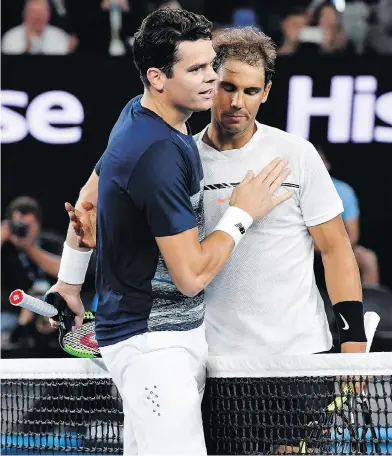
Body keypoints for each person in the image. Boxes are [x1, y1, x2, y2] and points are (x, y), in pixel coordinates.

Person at [65, 24, 367, 453]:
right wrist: (103, 238)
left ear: (266, 93)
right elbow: (125, 221)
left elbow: (336, 251)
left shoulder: (296, 156)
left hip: (297, 356)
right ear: (210, 82)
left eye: (250, 91)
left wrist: (353, 342)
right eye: (226, 86)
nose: (236, 102)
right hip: (216, 361)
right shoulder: (179, 156)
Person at [48, 9, 292, 455]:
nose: (212, 79)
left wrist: (69, 280)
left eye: (211, 64)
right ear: (158, 77)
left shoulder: (140, 115)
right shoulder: (158, 155)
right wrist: (241, 213)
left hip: (153, 342)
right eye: (196, 69)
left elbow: (88, 199)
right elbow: (191, 276)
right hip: (154, 352)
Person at [1, 196, 63, 343]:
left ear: (38, 224)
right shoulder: (6, 247)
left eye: (28, 225)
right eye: (18, 225)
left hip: (52, 309)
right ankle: (19, 331)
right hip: (11, 312)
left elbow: (63, 270)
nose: (22, 230)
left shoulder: (50, 242)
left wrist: (29, 247)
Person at [317, 146, 380, 286]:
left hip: (337, 247)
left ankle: (370, 305)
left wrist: (333, 250)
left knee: (368, 259)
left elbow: (353, 234)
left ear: (327, 164)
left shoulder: (343, 191)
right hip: (301, 247)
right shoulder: (292, 189)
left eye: (319, 162)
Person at [2, 0, 74, 55]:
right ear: (25, 14)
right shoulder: (10, 38)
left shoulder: (60, 36)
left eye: (42, 12)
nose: (38, 17)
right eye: (34, 12)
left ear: (48, 15)